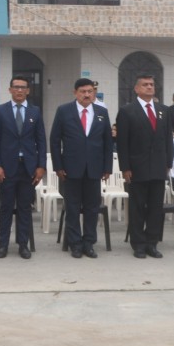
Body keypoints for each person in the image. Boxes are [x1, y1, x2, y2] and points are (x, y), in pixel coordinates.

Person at [49, 78, 113, 259]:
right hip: (70, 169)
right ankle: (75, 244)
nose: (86, 94)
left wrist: (107, 167)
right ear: (75, 93)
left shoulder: (101, 112)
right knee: (73, 208)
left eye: (90, 91)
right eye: (83, 91)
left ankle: (89, 243)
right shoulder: (64, 111)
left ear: (94, 93)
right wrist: (58, 166)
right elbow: (55, 141)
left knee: (92, 208)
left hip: (94, 169)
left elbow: (108, 142)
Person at [116, 74, 174, 259]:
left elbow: (168, 140)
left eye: (152, 84)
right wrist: (125, 168)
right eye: (145, 85)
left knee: (155, 208)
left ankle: (152, 243)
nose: (149, 87)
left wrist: (168, 163)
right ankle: (138, 244)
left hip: (158, 167)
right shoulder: (127, 111)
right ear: (137, 89)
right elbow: (122, 143)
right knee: (138, 207)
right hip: (137, 167)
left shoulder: (163, 110)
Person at [0, 76, 47, 260]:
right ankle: (3, 245)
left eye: (23, 87)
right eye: (16, 87)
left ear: (28, 90)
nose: (19, 90)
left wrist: (41, 166)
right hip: (6, 168)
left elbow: (41, 141)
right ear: (10, 90)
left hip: (28, 168)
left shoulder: (35, 112)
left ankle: (23, 244)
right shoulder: (0, 111)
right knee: (6, 207)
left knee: (24, 208)